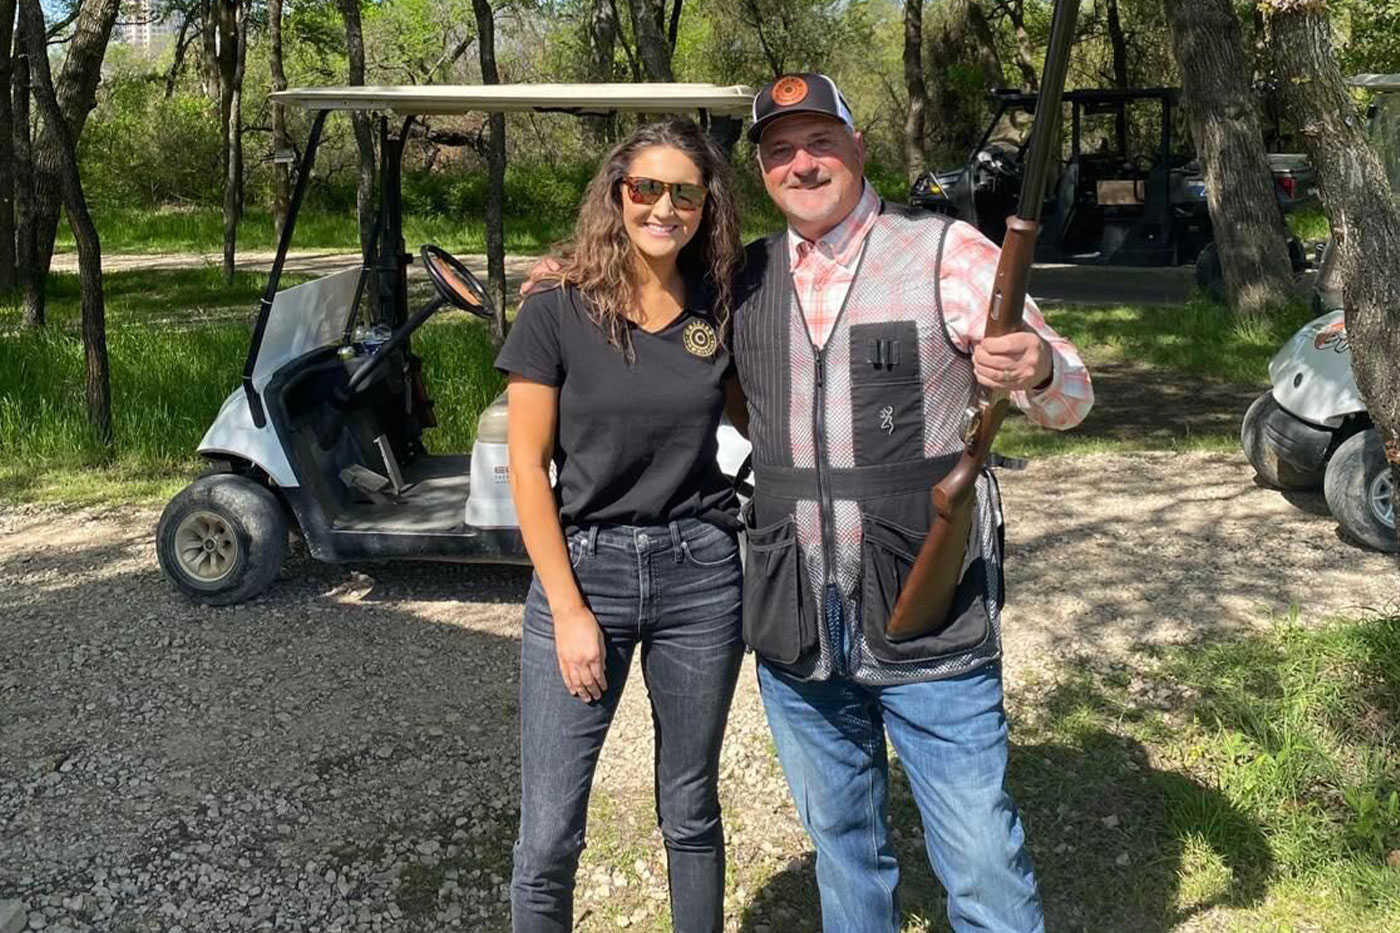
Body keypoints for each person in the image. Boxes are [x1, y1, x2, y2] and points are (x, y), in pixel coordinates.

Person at [727, 74, 1094, 932]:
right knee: (843, 846)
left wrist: (1035, 368)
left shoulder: (947, 251)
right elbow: (649, 308)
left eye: (819, 142)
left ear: (858, 148)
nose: (801, 163)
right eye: (780, 150)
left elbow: (1070, 391)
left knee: (979, 856)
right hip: (795, 616)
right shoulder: (740, 275)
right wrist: (572, 274)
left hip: (928, 607)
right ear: (763, 173)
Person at [494, 120, 745, 933]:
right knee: (550, 833)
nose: (663, 208)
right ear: (617, 193)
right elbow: (527, 467)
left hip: (701, 572)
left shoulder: (722, 303)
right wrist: (568, 611)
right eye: (646, 189)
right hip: (586, 570)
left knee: (691, 809)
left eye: (685, 193)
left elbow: (762, 410)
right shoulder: (556, 307)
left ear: (706, 207)